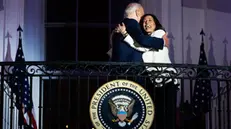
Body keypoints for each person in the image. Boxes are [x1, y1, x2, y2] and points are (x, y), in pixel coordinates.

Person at [115, 14, 179, 129]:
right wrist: (124, 33)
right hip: (156, 82)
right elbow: (140, 46)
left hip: (167, 79)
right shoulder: (149, 41)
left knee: (169, 115)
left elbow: (143, 44)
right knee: (159, 115)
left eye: (150, 20)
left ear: (155, 24)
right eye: (144, 21)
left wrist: (162, 42)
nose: (146, 23)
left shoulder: (160, 33)